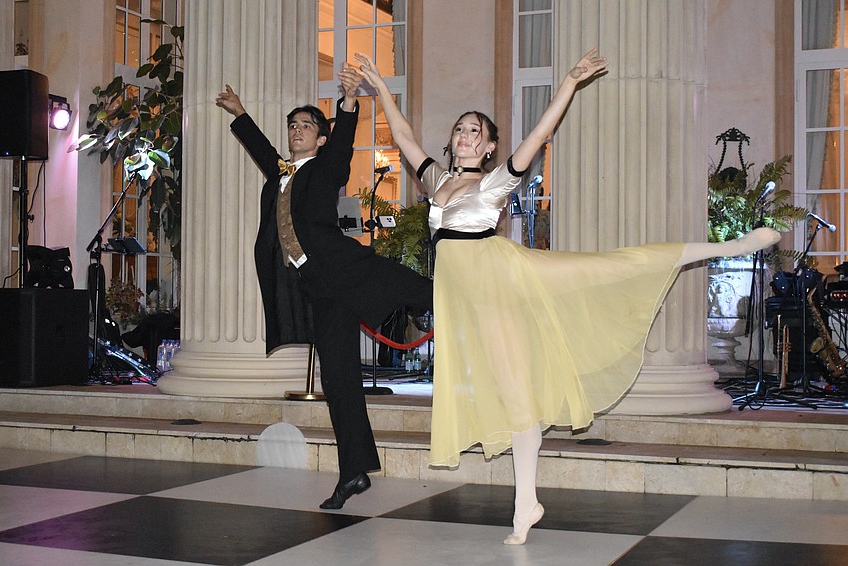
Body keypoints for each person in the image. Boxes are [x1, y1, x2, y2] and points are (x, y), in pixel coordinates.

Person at [355, 49, 780, 544]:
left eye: (477, 131)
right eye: (460, 129)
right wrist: (381, 86)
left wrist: (569, 86)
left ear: (490, 146)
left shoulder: (496, 181)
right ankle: (528, 501)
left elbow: (537, 136)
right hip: (461, 298)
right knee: (512, 395)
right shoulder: (438, 180)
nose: (466, 136)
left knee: (608, 274)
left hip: (500, 287)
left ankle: (732, 245)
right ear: (453, 142)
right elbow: (404, 136)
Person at [215, 63, 433, 510]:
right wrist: (239, 112)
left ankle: (481, 297)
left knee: (429, 292)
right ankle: (354, 472)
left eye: (306, 126)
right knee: (339, 382)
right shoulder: (282, 173)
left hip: (348, 269)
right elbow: (263, 149)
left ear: (320, 138)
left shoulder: (326, 166)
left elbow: (344, 143)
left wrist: (349, 102)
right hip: (320, 289)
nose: (297, 131)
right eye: (292, 125)